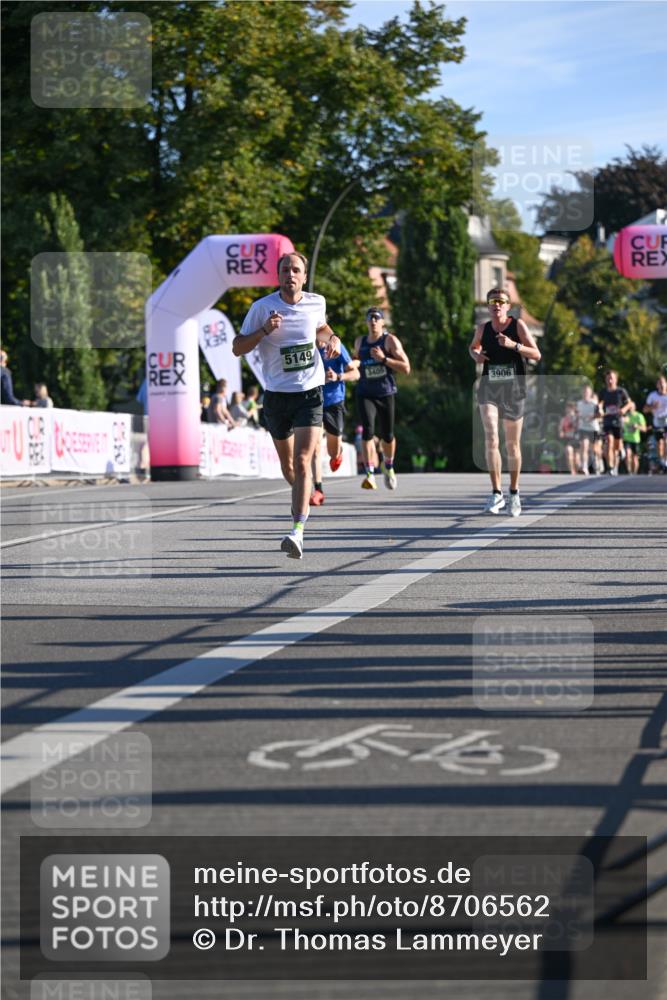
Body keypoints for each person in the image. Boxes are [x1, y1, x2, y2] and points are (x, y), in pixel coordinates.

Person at [232, 251, 340, 559]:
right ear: (278, 276)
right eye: (284, 270)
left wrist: (332, 338)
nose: (290, 274)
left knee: (304, 460)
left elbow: (321, 327)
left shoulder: (315, 302)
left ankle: (297, 530)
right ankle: (303, 495)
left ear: (304, 277)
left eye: (295, 270)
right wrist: (264, 330)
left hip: (310, 391)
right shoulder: (261, 308)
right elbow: (237, 348)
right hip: (277, 394)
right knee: (289, 466)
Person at [469, 288, 541, 516]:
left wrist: (514, 346)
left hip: (514, 390)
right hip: (490, 388)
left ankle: (514, 492)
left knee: (512, 445)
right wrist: (475, 355)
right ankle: (496, 492)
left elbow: (536, 354)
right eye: (492, 302)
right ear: (489, 306)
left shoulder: (517, 326)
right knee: (491, 436)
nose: (496, 305)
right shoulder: (483, 328)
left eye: (501, 302)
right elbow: (473, 347)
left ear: (508, 306)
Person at [354, 307, 411, 491]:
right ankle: (369, 473)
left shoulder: (390, 340)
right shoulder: (359, 342)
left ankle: (389, 466)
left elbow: (406, 367)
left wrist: (384, 359)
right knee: (367, 431)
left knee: (387, 435)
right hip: (365, 392)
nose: (372, 321)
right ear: (366, 322)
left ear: (382, 322)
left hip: (385, 392)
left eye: (376, 318)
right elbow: (356, 364)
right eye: (369, 318)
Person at [309, 341, 359, 506]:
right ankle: (318, 490)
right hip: (312, 401)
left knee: (332, 452)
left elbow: (355, 373)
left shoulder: (336, 346)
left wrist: (338, 376)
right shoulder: (306, 345)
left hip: (333, 402)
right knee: (315, 446)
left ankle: (338, 453)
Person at [599, 370, 632, 475]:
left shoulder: (621, 391)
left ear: (616, 380)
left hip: (618, 421)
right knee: (609, 442)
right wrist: (599, 409)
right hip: (607, 421)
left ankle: (620, 451)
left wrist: (624, 409)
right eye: (608, 378)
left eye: (611, 378)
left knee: (616, 447)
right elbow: (599, 403)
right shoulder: (603, 392)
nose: (609, 380)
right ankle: (611, 467)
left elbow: (630, 403)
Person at [575, 384, 601, 475]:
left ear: (590, 393)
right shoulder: (579, 403)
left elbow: (600, 415)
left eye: (587, 392)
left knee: (595, 449)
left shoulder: (594, 403)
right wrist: (578, 417)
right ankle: (584, 467)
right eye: (584, 392)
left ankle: (598, 465)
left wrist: (592, 416)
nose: (586, 393)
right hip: (583, 428)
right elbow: (576, 414)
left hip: (593, 428)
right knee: (584, 446)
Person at [644, 375, 667, 470]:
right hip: (657, 421)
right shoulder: (652, 396)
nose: (661, 385)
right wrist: (652, 407)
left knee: (666, 441)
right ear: (657, 385)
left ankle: (665, 460)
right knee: (660, 443)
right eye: (659, 383)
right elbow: (645, 409)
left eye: (663, 383)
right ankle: (661, 460)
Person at [622, 401, 646, 474]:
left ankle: (634, 473)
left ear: (634, 407)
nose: (630, 409)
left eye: (631, 407)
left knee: (635, 458)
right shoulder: (625, 416)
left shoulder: (639, 416)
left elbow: (644, 429)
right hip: (626, 438)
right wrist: (622, 422)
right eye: (628, 407)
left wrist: (637, 426)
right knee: (627, 454)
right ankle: (629, 471)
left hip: (635, 439)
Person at [558, 401, 579, 475]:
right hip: (568, 439)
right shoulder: (563, 419)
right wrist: (561, 432)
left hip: (576, 439)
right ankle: (572, 471)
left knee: (576, 459)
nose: (568, 410)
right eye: (567, 408)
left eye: (570, 408)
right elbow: (560, 429)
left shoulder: (577, 418)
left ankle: (577, 471)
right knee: (568, 452)